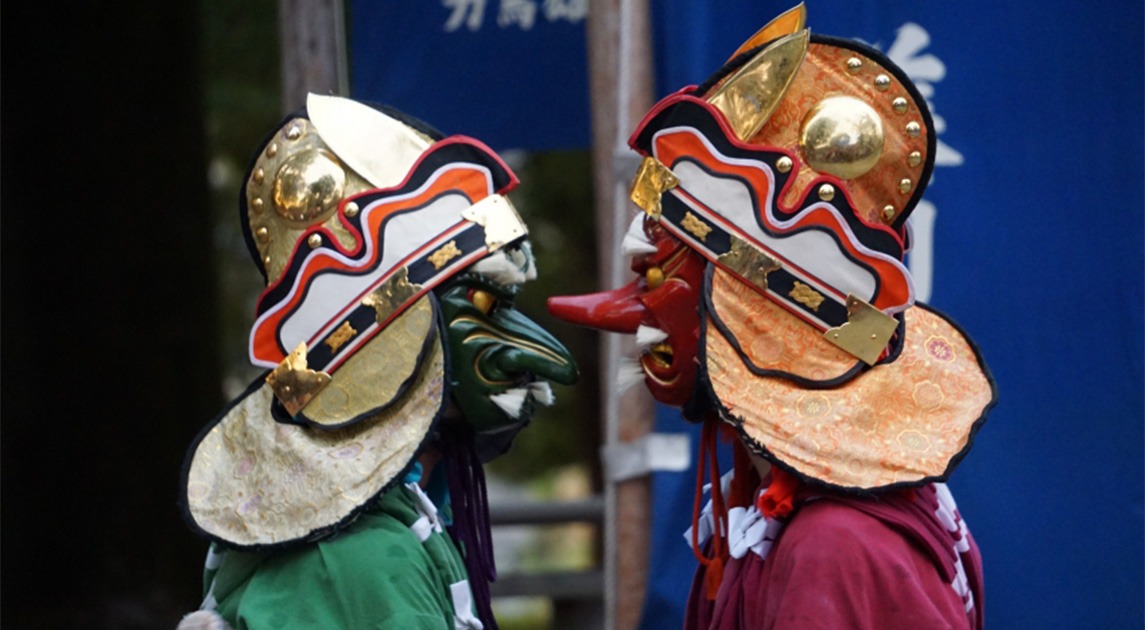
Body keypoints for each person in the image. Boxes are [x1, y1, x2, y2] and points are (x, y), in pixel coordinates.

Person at [548, 5, 996, 628]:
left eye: (657, 274)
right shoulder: (784, 504)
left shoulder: (833, 546)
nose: (639, 309)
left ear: (755, 320)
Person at [177, 93, 577, 629]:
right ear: (392, 344)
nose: (549, 359)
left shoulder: (386, 532)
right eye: (484, 306)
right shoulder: (360, 562)